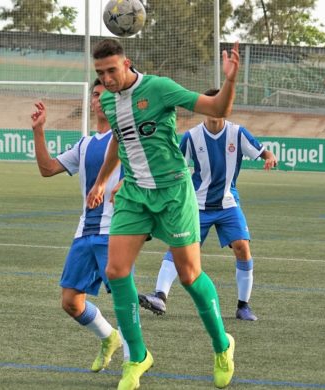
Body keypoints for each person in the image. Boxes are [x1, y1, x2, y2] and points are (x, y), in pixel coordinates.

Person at [86, 38, 240, 390]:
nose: (106, 79)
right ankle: (137, 356)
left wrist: (229, 81)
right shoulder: (108, 99)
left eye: (111, 70)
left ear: (127, 64)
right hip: (134, 194)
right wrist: (101, 182)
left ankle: (222, 344)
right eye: (100, 73)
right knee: (116, 271)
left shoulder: (159, 88)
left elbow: (218, 107)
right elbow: (119, 140)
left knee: (189, 276)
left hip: (173, 193)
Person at [138, 88, 278, 321]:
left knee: (242, 247)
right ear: (203, 109)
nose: (215, 111)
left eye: (219, 105)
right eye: (210, 105)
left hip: (227, 203)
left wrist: (270, 157)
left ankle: (243, 305)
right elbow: (177, 169)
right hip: (196, 205)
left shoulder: (238, 133)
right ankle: (160, 296)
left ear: (226, 109)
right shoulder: (192, 137)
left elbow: (264, 151)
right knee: (178, 247)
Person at [30, 79, 127, 373]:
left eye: (102, 95)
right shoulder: (85, 144)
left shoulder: (126, 137)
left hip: (117, 230)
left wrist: (121, 185)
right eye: (95, 95)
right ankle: (109, 337)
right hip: (85, 231)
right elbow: (47, 169)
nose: (97, 100)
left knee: (124, 299)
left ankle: (133, 360)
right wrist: (38, 131)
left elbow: (145, 171)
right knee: (71, 301)